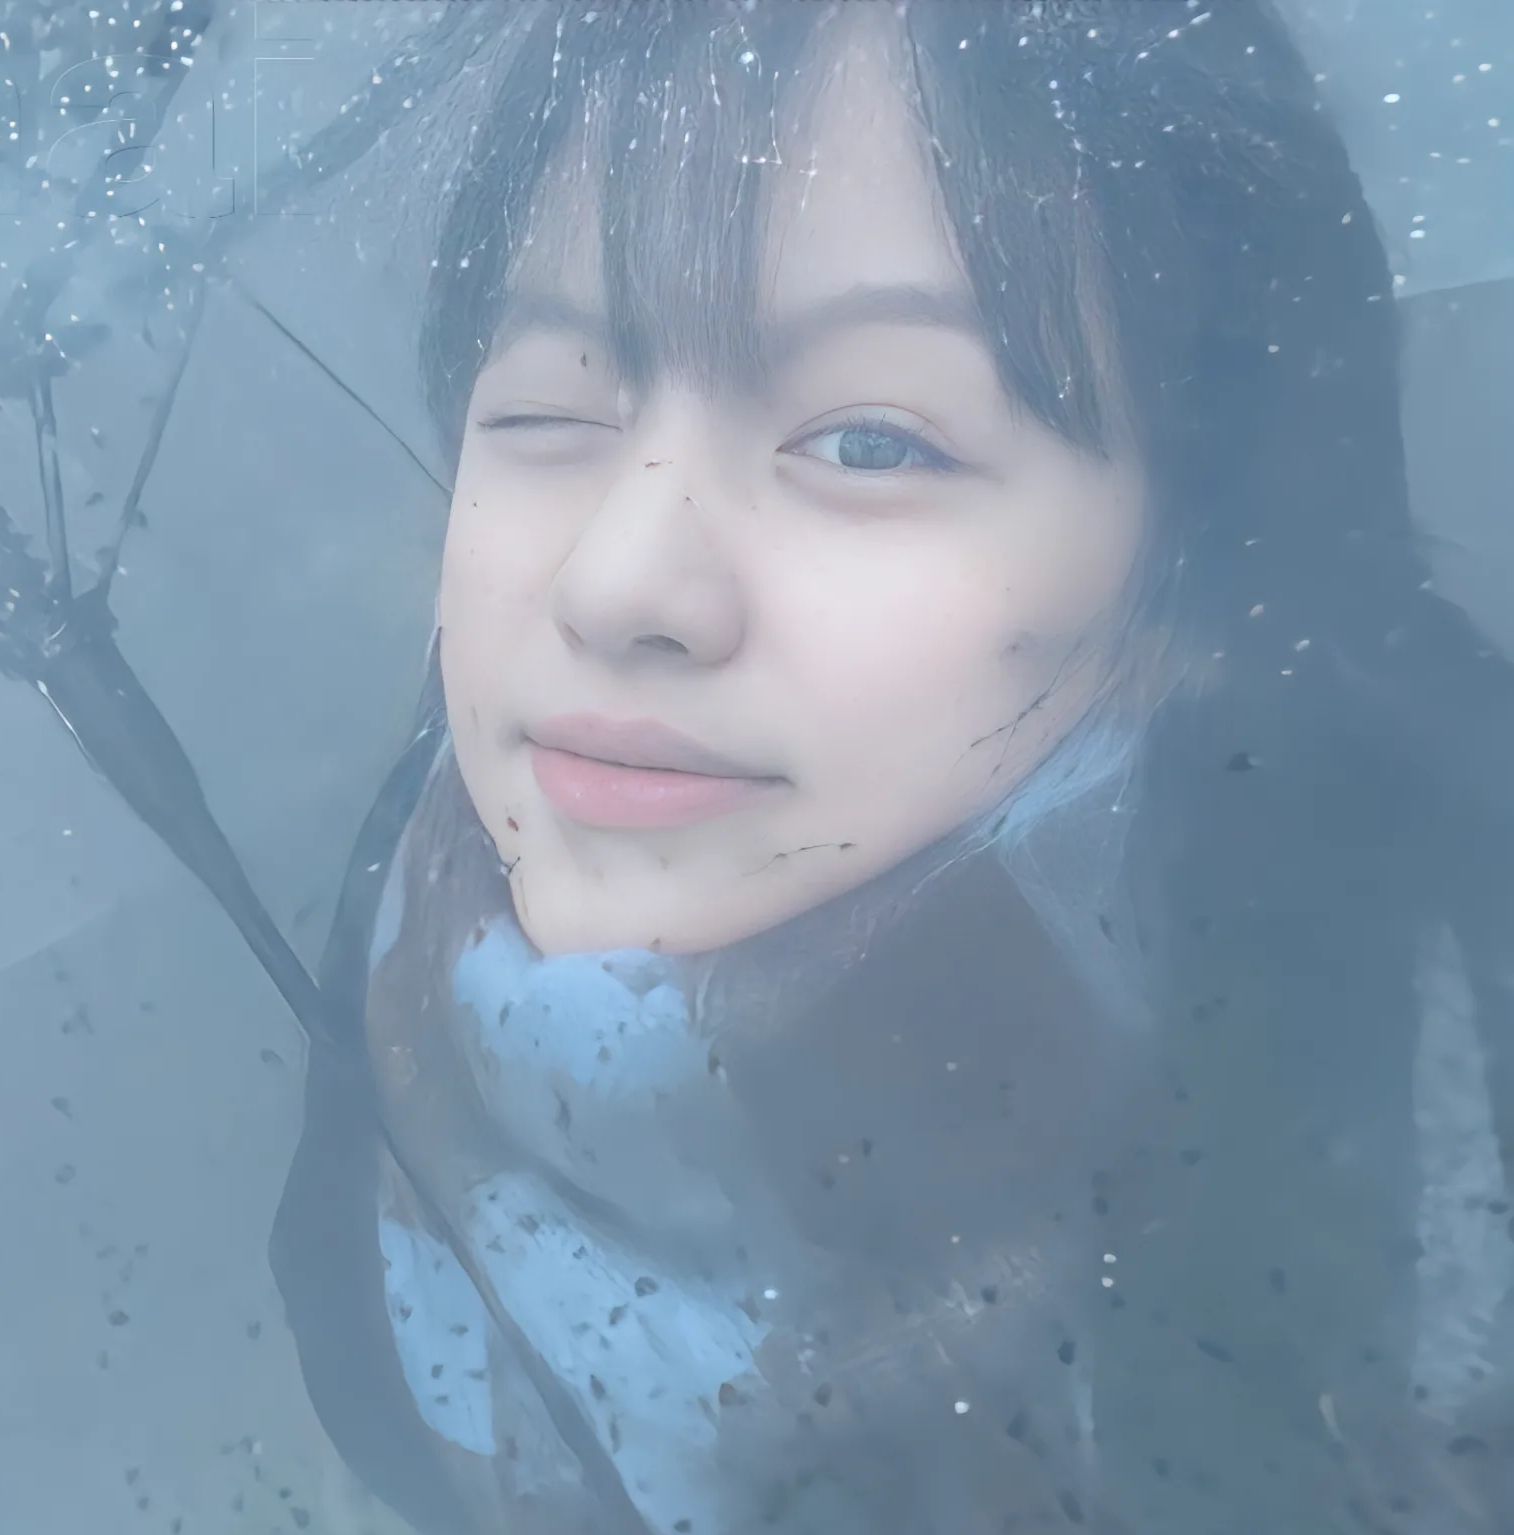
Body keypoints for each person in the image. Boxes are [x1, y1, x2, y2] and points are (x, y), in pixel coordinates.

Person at [271, 3, 1514, 1530]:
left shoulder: (1419, 1144)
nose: (616, 581)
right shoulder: (424, 900)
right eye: (545, 406)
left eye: (870, 442)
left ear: (1192, 574)